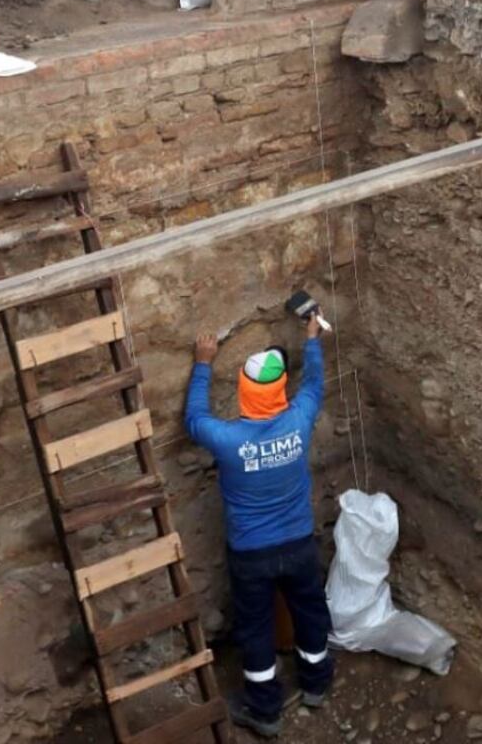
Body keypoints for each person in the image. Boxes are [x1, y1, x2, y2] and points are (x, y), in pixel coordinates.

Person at [185, 315, 333, 738]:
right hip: (300, 545)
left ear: (246, 393)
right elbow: (315, 386)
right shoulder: (299, 421)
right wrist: (311, 340)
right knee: (310, 612)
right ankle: (316, 685)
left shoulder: (229, 440)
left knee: (255, 627)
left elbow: (194, 419)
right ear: (280, 391)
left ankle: (265, 711)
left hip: (252, 555)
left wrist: (202, 364)